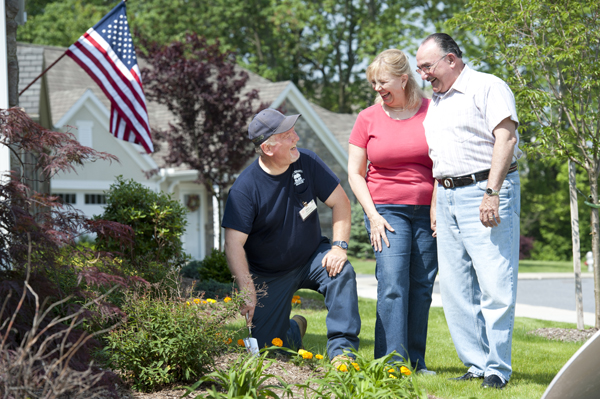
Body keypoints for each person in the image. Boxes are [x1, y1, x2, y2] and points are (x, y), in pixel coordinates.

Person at [416, 33, 522, 389]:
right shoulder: (438, 100)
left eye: (427, 67)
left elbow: (506, 138)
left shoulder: (488, 87)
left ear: (451, 59)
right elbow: (440, 157)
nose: (423, 75)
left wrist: (491, 192)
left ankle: (497, 368)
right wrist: (435, 201)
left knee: (494, 283)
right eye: (419, 69)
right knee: (456, 288)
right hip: (446, 196)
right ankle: (476, 364)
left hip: (484, 190)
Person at [222, 108, 361, 363]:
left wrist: (339, 247)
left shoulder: (307, 162)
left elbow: (341, 202)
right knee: (269, 352)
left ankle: (343, 353)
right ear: (268, 148)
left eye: (293, 131)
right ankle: (294, 330)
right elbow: (233, 244)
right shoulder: (244, 190)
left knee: (341, 271)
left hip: (311, 258)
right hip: (269, 273)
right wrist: (247, 288)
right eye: (287, 135)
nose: (296, 138)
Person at [347, 49, 438, 374]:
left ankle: (415, 360)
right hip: (386, 211)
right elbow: (355, 173)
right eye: (373, 82)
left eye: (382, 82)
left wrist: (437, 206)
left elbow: (443, 164)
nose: (377, 88)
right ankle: (391, 362)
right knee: (392, 285)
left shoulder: (432, 111)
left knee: (423, 285)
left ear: (403, 78)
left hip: (427, 212)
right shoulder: (367, 118)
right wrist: (372, 216)